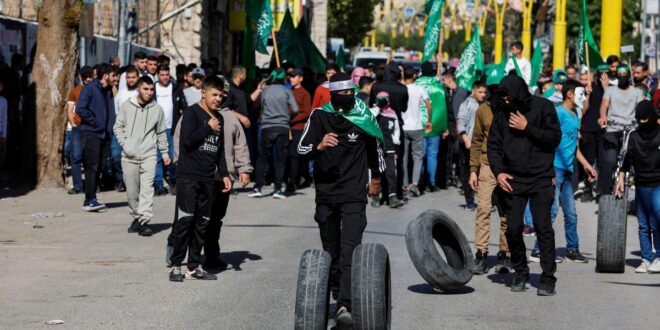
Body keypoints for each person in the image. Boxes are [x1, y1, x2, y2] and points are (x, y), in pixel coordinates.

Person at [297, 72, 384, 325]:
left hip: (354, 194)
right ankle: (335, 294)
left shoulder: (363, 116)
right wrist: (319, 147)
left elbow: (376, 147)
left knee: (350, 250)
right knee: (331, 251)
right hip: (326, 194)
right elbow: (301, 149)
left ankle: (345, 303)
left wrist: (377, 178)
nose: (347, 98)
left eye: (351, 94)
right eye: (342, 95)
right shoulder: (320, 115)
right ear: (333, 95)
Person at [487, 74, 562, 296]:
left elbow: (554, 139)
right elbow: (493, 146)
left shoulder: (544, 107)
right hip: (513, 179)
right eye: (504, 97)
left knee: (542, 227)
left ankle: (548, 278)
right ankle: (520, 271)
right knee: (513, 228)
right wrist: (499, 172)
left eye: (509, 96)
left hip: (541, 178)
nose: (507, 101)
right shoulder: (501, 112)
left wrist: (527, 127)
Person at [169, 75, 232, 282]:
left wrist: (224, 174)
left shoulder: (219, 118)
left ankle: (194, 265)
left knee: (202, 222)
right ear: (203, 93)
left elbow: (219, 150)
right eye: (214, 95)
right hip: (189, 176)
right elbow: (187, 142)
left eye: (221, 96)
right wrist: (208, 127)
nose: (218, 99)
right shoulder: (191, 113)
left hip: (208, 178)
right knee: (185, 220)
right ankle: (176, 265)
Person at [528, 80, 596, 264]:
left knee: (571, 213)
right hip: (554, 169)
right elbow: (545, 139)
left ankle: (572, 250)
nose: (583, 98)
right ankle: (538, 249)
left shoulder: (576, 114)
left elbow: (574, 145)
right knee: (551, 211)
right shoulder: (557, 113)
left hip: (568, 170)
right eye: (581, 94)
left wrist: (586, 165)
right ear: (569, 94)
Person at [113, 76, 170, 237]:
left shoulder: (157, 109)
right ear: (138, 89)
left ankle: (144, 221)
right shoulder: (126, 106)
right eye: (146, 89)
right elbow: (118, 127)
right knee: (132, 192)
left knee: (147, 189)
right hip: (129, 156)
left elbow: (161, 133)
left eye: (151, 89)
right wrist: (125, 144)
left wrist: (165, 153)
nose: (149, 92)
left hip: (149, 155)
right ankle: (136, 217)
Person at [468, 78, 511, 275]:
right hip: (486, 165)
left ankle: (504, 253)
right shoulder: (482, 111)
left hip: (508, 166)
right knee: (484, 208)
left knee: (507, 212)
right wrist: (473, 171)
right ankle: (481, 254)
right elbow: (476, 141)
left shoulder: (511, 109)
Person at [615, 100, 660, 273]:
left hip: (658, 184)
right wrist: (620, 179)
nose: (642, 122)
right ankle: (646, 259)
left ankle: (659, 258)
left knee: (657, 222)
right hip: (641, 184)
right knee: (643, 225)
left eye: (645, 118)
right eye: (639, 118)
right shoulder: (633, 135)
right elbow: (626, 158)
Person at [248, 69, 299, 199]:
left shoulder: (265, 91)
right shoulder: (287, 91)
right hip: (282, 127)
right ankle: (277, 190)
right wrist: (287, 117)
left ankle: (258, 187)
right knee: (280, 159)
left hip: (266, 127)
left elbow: (262, 106)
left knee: (262, 158)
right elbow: (295, 109)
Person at [597, 65, 645, 198]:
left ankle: (641, 192)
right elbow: (604, 105)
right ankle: (604, 192)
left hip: (631, 130)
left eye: (625, 74)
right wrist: (603, 116)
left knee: (637, 160)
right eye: (620, 73)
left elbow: (641, 108)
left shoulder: (636, 92)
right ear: (616, 75)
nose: (622, 76)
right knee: (610, 160)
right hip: (613, 129)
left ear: (629, 75)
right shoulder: (610, 90)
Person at [76, 63, 118, 212]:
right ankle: (89, 200)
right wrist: (97, 123)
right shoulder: (90, 88)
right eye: (113, 75)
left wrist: (109, 128)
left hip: (104, 135)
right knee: (92, 166)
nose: (116, 78)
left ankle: (93, 198)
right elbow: (80, 109)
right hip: (91, 133)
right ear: (106, 75)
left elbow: (110, 112)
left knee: (100, 165)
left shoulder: (108, 91)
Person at [370, 63, 409, 199]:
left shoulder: (376, 87)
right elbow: (404, 108)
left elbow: (372, 106)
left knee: (378, 161)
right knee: (396, 162)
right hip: (395, 128)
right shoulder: (402, 88)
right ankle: (395, 193)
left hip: (379, 128)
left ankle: (380, 193)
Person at [154, 64, 186, 195]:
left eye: (167, 74)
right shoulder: (153, 88)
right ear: (158, 75)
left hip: (172, 128)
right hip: (156, 128)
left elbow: (184, 106)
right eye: (162, 75)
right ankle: (158, 184)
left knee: (173, 156)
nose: (165, 77)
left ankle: (173, 180)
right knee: (157, 157)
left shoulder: (176, 88)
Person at [402, 67, 432, 197]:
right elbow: (429, 106)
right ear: (414, 76)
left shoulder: (401, 89)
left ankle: (404, 185)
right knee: (418, 156)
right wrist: (429, 121)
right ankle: (414, 183)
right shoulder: (419, 89)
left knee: (404, 157)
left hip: (403, 127)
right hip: (417, 127)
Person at [457, 81, 487, 210]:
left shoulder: (485, 106)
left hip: (482, 145)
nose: (483, 95)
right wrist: (466, 140)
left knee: (482, 173)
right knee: (468, 173)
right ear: (473, 91)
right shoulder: (467, 104)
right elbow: (460, 123)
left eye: (485, 92)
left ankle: (484, 201)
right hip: (468, 145)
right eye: (480, 92)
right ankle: (469, 201)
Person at [65, 66, 94, 195]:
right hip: (78, 128)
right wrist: (73, 124)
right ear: (81, 77)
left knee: (90, 158)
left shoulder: (96, 91)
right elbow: (70, 109)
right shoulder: (75, 91)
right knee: (76, 157)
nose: (88, 79)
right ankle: (78, 186)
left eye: (90, 76)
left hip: (91, 128)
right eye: (85, 76)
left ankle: (90, 185)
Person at [372, 91, 402, 208]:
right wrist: (378, 106)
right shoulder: (373, 112)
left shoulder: (393, 114)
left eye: (386, 99)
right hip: (376, 148)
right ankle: (375, 196)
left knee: (391, 173)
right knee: (377, 173)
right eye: (381, 99)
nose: (385, 101)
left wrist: (396, 149)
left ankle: (392, 197)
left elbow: (396, 132)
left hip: (389, 148)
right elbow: (369, 118)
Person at [286, 68, 312, 194]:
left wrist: (291, 119)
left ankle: (294, 181)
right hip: (286, 128)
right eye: (290, 76)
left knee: (295, 155)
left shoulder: (305, 94)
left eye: (294, 76)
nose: (291, 78)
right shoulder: (287, 91)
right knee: (288, 155)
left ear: (300, 78)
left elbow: (306, 112)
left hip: (298, 128)